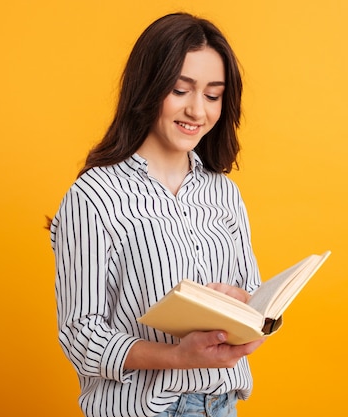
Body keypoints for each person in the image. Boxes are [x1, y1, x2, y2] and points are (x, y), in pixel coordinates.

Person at [49, 12, 264, 417]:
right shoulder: (94, 196)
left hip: (223, 406)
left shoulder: (225, 193)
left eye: (213, 95)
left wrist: (251, 312)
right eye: (181, 90)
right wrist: (177, 356)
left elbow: (253, 298)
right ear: (147, 88)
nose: (197, 111)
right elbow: (81, 337)